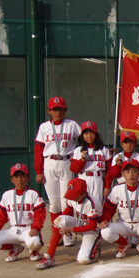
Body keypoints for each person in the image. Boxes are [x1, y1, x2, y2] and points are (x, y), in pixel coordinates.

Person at [34, 96, 81, 246]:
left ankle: (66, 234)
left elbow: (84, 141)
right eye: (54, 110)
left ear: (65, 110)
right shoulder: (44, 127)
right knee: (54, 203)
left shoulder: (72, 125)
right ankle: (57, 234)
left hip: (67, 162)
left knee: (66, 202)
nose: (58, 112)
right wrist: (38, 170)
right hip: (49, 162)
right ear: (49, 111)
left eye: (60, 109)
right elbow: (38, 149)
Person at [98, 160, 139, 259]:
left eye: (134, 171)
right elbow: (109, 208)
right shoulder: (117, 189)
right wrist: (105, 220)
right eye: (127, 172)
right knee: (105, 232)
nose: (131, 174)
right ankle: (125, 244)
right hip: (123, 224)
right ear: (123, 174)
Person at [0, 163, 44, 263]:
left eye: (22, 176)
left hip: (29, 229)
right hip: (12, 229)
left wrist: (35, 227)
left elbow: (40, 214)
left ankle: (33, 251)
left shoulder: (33, 194)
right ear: (12, 179)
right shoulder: (7, 195)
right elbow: (1, 217)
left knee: (35, 243)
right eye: (16, 177)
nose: (19, 180)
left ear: (28, 177)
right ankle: (15, 248)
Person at [36, 178, 102, 269]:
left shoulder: (91, 202)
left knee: (83, 260)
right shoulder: (73, 199)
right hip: (81, 223)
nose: (72, 198)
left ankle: (95, 247)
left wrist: (71, 229)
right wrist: (56, 222)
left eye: (75, 195)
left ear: (83, 193)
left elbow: (92, 226)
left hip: (94, 230)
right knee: (59, 220)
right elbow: (67, 211)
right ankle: (49, 257)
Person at [70, 121, 111, 206]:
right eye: (86, 133)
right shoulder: (78, 150)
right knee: (82, 205)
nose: (89, 136)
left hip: (97, 178)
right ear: (82, 135)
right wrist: (82, 161)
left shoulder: (103, 150)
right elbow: (74, 169)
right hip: (83, 178)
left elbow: (109, 171)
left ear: (96, 134)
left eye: (92, 133)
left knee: (97, 205)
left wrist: (107, 186)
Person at [104, 131, 139, 197]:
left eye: (131, 142)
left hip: (137, 187)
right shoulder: (117, 157)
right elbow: (113, 175)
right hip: (121, 187)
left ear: (135, 143)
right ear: (121, 144)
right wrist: (118, 166)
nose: (129, 145)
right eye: (126, 142)